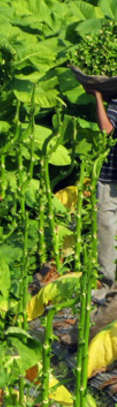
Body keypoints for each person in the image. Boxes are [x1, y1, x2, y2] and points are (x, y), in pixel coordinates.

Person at [92, 89, 117, 334]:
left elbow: (105, 129)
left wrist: (98, 96)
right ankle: (109, 286)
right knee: (107, 229)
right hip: (111, 177)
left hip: (111, 180)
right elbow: (107, 129)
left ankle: (111, 289)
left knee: (108, 229)